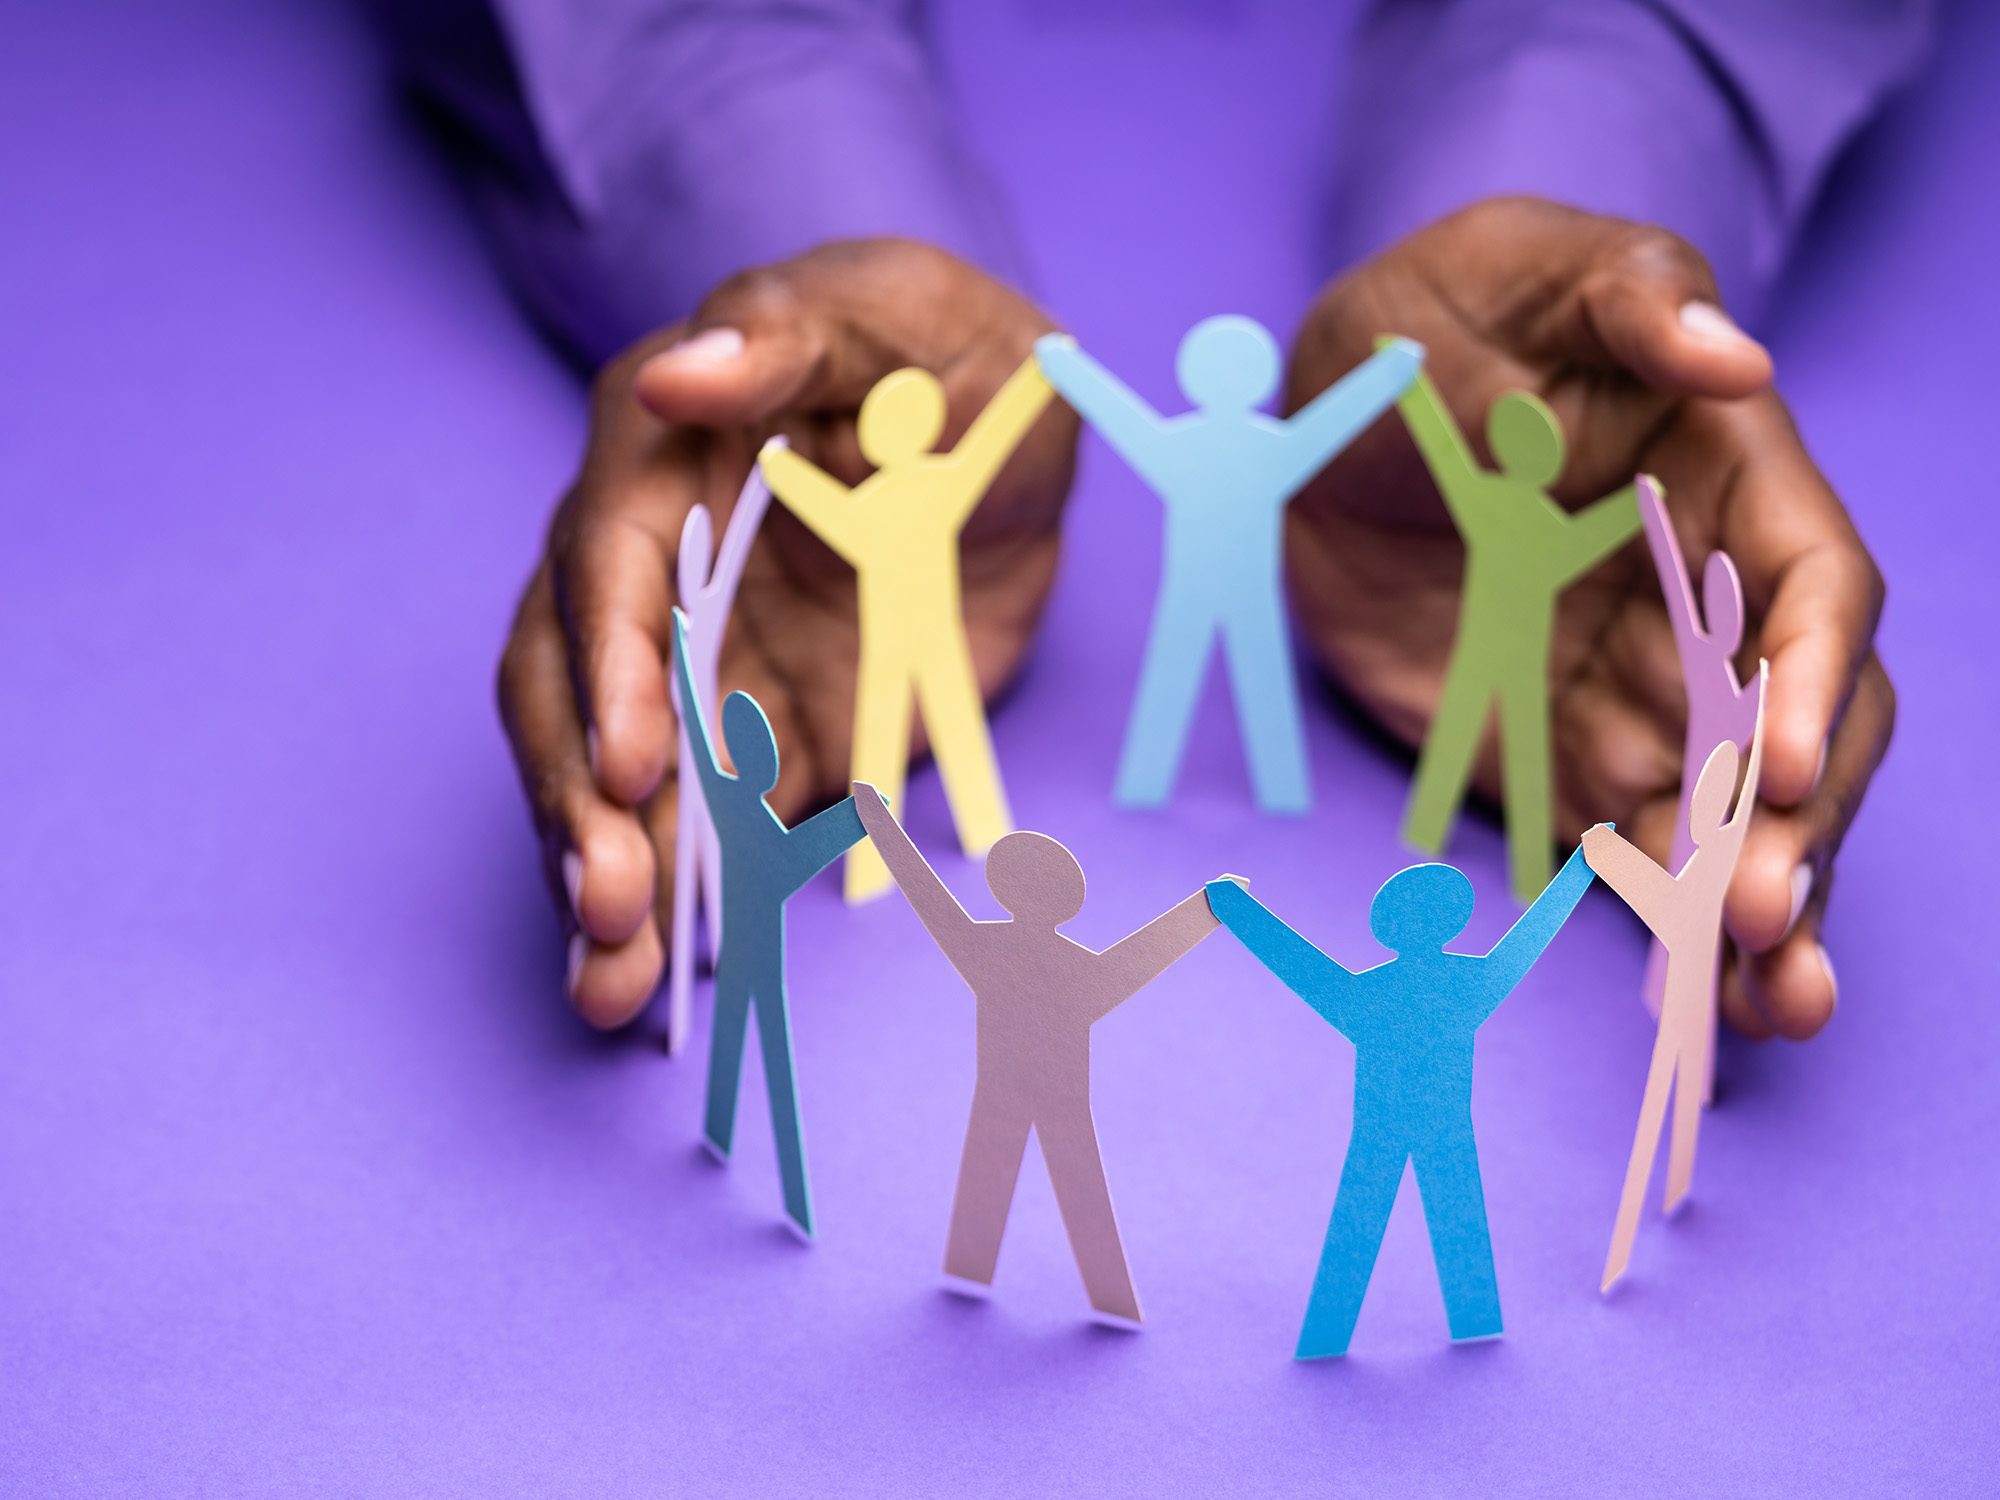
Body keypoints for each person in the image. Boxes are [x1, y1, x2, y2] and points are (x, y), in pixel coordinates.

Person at [381, 0, 1913, 1038]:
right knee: (1170, 688)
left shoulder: (1407, 480)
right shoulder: (945, 484)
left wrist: (1558, 249)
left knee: (1215, 688)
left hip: (1401, 600)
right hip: (953, 589)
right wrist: (796, 372)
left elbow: (1353, 450)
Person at [852, 782, 1225, 1325]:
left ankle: (985, 1273)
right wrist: (1204, 910)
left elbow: (925, 894)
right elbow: (1141, 960)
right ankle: (1103, 1300)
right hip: (1046, 1094)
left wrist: (880, 825)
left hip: (1016, 1090)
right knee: (1075, 1193)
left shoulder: (985, 947)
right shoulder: (1067, 965)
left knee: (1008, 1178)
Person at [1206, 849, 1598, 1356]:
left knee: (1363, 1225)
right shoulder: (1468, 982)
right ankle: (1467, 1322)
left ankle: (1334, 1337)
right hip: (1438, 1126)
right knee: (1450, 1225)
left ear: (1387, 928)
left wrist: (1237, 910)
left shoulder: (1371, 993)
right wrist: (1578, 869)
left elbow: (1302, 968)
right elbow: (1528, 940)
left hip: (1388, 1128)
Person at [1037, 326, 1421, 813]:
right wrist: (1388, 376)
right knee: (1244, 682)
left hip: (1214, 588)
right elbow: (1330, 423)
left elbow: (1122, 417)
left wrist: (1067, 370)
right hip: (1229, 588)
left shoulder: (1188, 446)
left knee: (1188, 680)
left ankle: (1170, 784)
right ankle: (1248, 789)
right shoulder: (1265, 449)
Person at [671, 611, 866, 1237]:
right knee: (772, 1065)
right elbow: (803, 854)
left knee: (737, 1045)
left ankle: (728, 1141)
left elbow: (701, 746)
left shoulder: (729, 805)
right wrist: (859, 822)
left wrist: (681, 652)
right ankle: (782, 1192)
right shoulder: (745, 815)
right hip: (757, 960)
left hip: (743, 957)